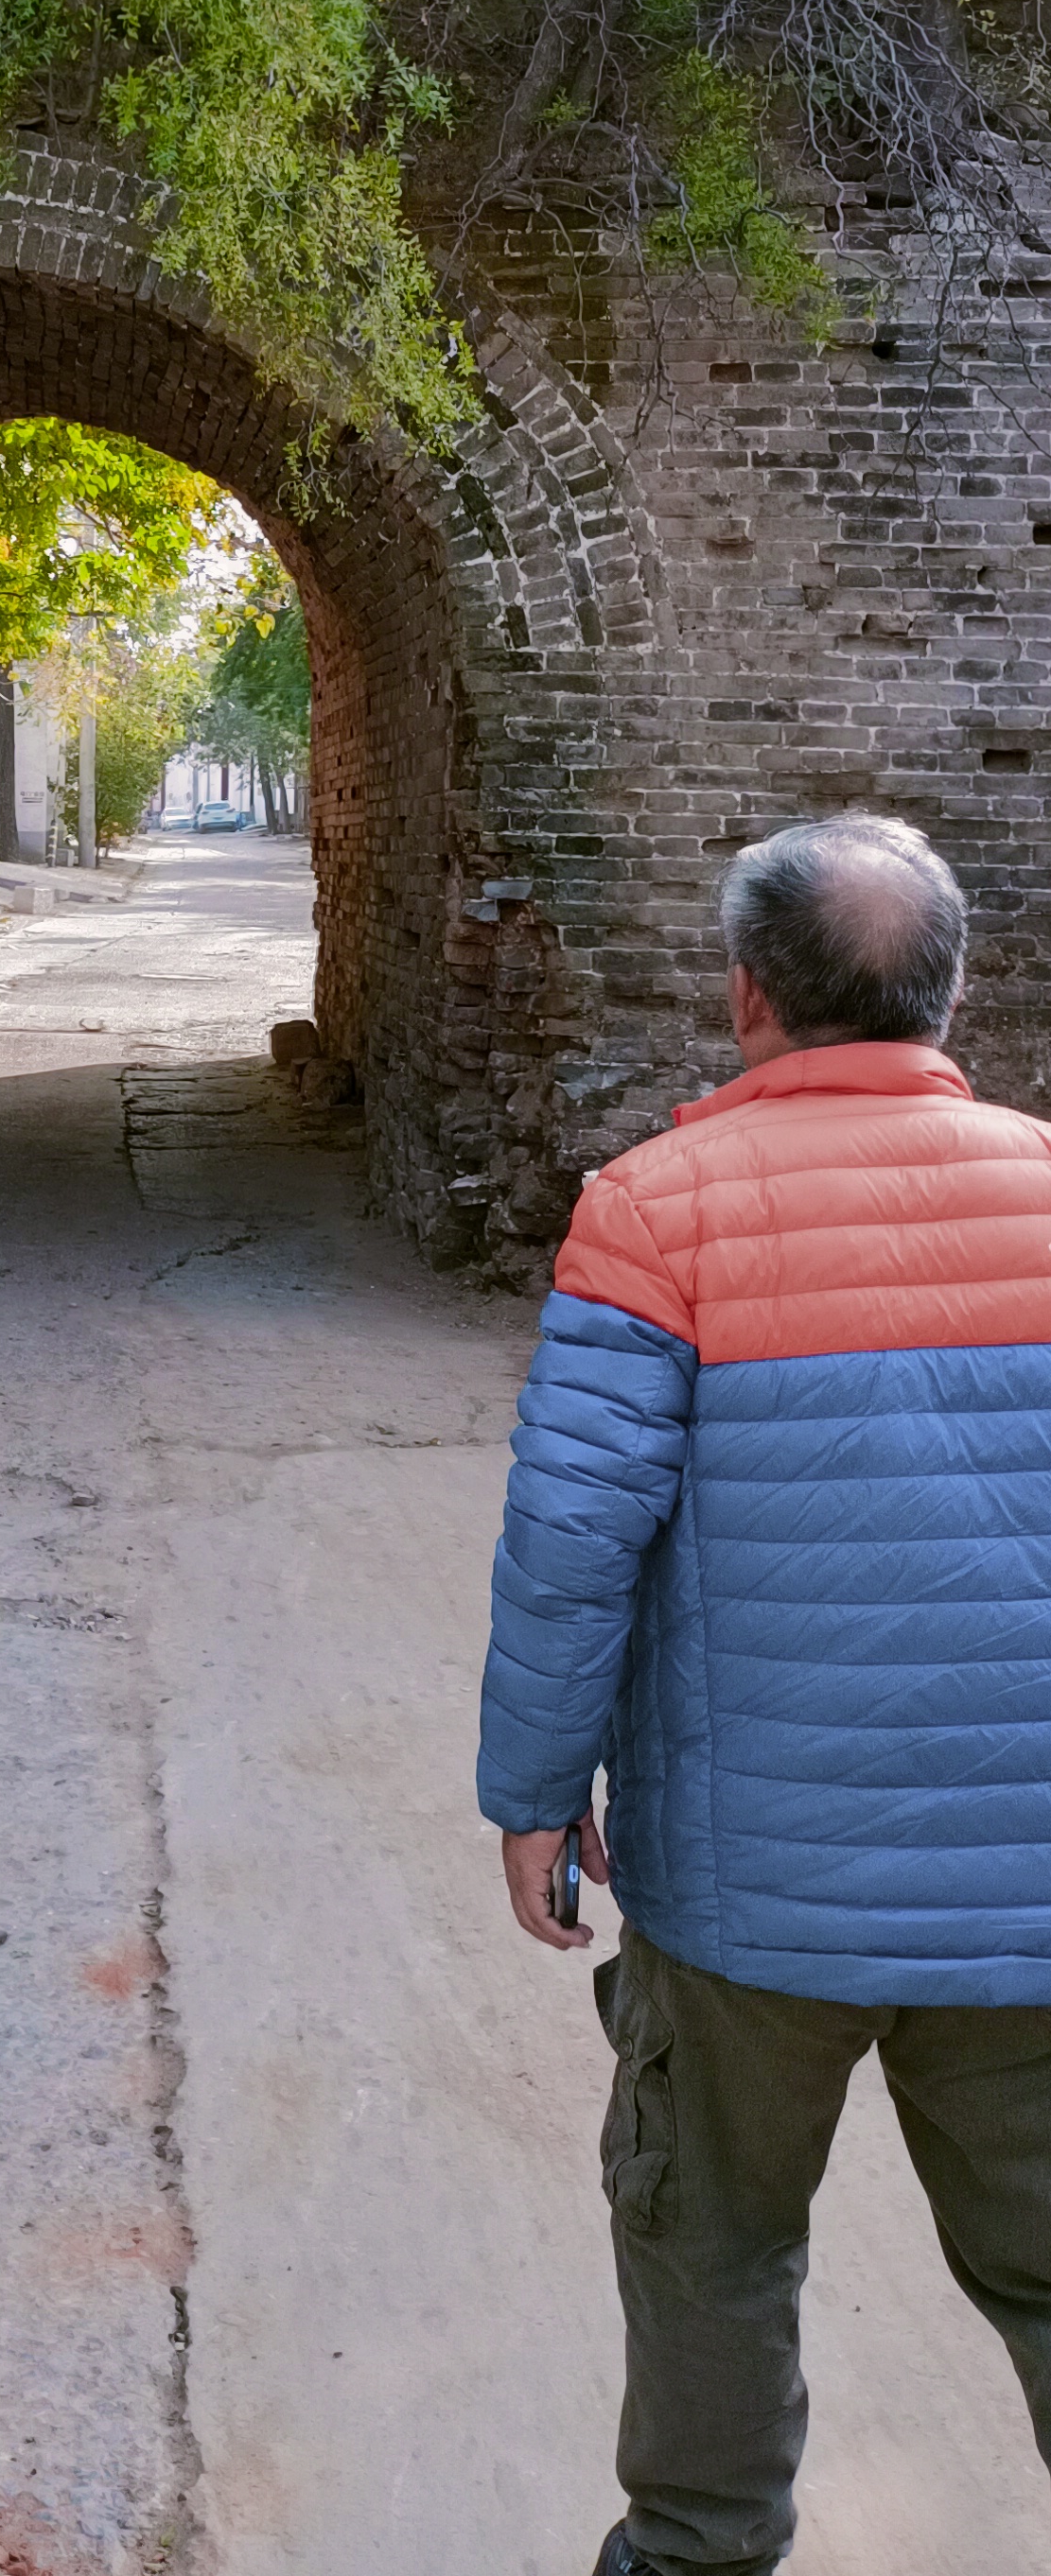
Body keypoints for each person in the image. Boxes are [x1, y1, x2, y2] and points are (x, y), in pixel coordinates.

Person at [478, 810, 1051, 2576]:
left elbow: (577, 1538)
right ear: (951, 993)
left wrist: (530, 1793)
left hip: (745, 1911)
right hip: (1029, 1903)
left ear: (746, 1000)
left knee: (710, 2237)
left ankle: (699, 2551)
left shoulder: (655, 1215)